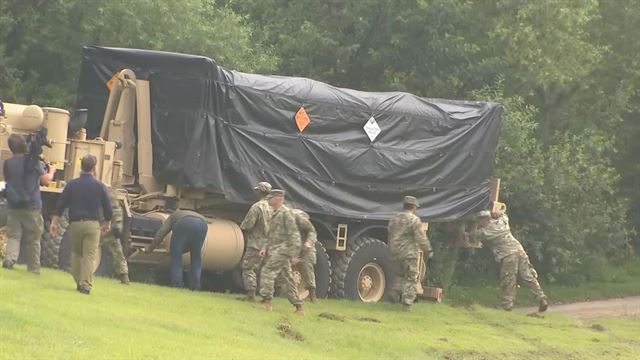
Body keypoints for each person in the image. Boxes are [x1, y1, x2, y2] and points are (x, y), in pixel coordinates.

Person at [50, 155, 112, 294]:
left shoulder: (71, 184)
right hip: (92, 225)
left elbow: (61, 205)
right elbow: (108, 208)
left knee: (76, 254)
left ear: (80, 166)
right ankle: (85, 284)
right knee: (89, 255)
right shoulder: (100, 186)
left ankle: (78, 280)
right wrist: (107, 222)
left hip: (75, 224)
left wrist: (55, 221)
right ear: (94, 168)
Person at [467, 209, 548, 312]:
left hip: (508, 255)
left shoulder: (486, 231)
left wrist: (463, 230)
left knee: (509, 279)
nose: (478, 223)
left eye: (479, 220)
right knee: (528, 276)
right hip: (520, 251)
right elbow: (504, 214)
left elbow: (471, 235)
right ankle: (542, 297)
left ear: (483, 219)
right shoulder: (502, 221)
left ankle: (507, 305)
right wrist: (497, 213)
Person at [3, 133, 55, 272]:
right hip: (31, 205)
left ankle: (9, 259)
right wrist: (52, 171)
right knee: (34, 238)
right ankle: (33, 267)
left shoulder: (8, 163)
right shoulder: (32, 161)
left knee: (14, 235)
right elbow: (46, 181)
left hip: (14, 204)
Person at [257, 189, 304, 314]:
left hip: (283, 250)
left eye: (271, 198)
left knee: (267, 271)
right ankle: (299, 307)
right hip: (275, 250)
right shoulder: (274, 213)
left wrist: (294, 254)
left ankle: (267, 302)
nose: (269, 201)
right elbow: (271, 234)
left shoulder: (286, 213)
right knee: (287, 279)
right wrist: (264, 248)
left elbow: (294, 235)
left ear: (278, 198)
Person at [145, 202, 208, 290]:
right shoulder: (185, 213)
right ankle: (195, 285)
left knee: (175, 255)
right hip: (203, 223)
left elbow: (161, 233)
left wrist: (150, 248)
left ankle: (178, 284)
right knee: (196, 258)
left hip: (184, 222)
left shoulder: (173, 216)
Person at [387, 196, 432, 311]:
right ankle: (407, 304)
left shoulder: (394, 219)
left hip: (395, 252)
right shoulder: (414, 220)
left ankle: (393, 294)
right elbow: (421, 237)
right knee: (411, 277)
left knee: (400, 275)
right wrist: (428, 250)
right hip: (409, 253)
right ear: (413, 207)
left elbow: (390, 233)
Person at [237, 181, 272, 301]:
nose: (255, 192)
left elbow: (247, 225)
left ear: (260, 192)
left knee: (248, 267)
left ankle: (250, 294)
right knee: (266, 271)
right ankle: (266, 297)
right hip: (269, 244)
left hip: (256, 243)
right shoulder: (272, 207)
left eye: (257, 190)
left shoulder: (257, 207)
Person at [100, 186, 129, 284]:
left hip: (107, 230)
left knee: (91, 247)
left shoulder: (110, 201)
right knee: (118, 253)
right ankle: (124, 276)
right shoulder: (115, 203)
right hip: (112, 229)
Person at [291, 209, 318, 302]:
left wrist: (308, 242)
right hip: (294, 246)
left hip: (306, 247)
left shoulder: (300, 219)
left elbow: (312, 231)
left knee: (307, 268)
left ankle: (312, 295)